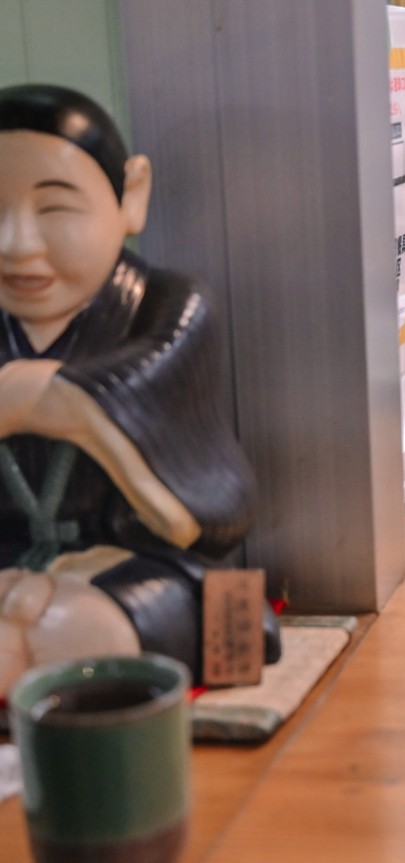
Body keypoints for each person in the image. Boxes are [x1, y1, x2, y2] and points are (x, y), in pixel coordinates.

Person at [0, 83, 280, 694]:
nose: (15, 243)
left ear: (131, 195)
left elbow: (154, 402)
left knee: (78, 635)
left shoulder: (169, 307)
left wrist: (33, 394)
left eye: (54, 209)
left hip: (135, 565)